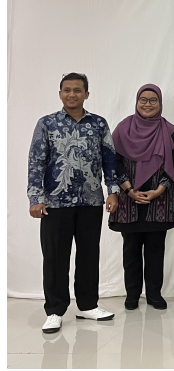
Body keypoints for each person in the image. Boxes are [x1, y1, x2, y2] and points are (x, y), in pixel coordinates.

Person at [27, 73, 119, 334]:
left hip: (91, 201)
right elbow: (36, 162)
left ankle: (88, 305)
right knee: (55, 257)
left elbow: (110, 159)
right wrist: (35, 198)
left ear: (86, 94)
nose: (72, 94)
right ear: (60, 94)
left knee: (89, 254)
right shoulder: (46, 124)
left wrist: (112, 191)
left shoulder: (98, 124)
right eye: (67, 90)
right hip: (55, 203)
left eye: (77, 90)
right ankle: (55, 310)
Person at [109, 84, 174, 311]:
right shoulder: (123, 128)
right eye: (143, 99)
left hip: (158, 200)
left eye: (153, 100)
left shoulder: (169, 131)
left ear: (160, 103)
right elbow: (114, 161)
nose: (147, 104)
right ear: (136, 101)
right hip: (129, 200)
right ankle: (132, 294)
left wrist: (158, 190)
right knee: (130, 249)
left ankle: (154, 294)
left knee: (155, 249)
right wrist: (128, 189)